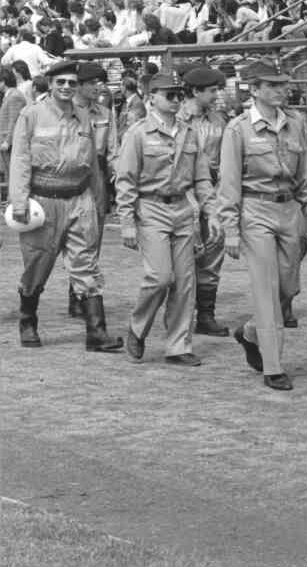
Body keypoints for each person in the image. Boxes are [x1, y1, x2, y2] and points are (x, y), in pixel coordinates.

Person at [218, 59, 307, 391]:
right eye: (273, 85)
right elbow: (230, 183)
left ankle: (250, 332)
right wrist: (231, 229)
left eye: (283, 84)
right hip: (255, 210)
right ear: (254, 90)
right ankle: (273, 365)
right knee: (265, 287)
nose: (281, 90)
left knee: (287, 287)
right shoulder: (238, 129)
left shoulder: (296, 124)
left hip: (290, 210)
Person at [9, 60, 123, 352]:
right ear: (49, 83)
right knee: (38, 264)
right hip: (44, 201)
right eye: (61, 82)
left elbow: (93, 164)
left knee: (86, 262)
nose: (67, 87)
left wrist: (100, 200)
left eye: (72, 83)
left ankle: (96, 332)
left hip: (80, 198)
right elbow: (20, 159)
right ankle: (28, 319)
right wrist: (19, 200)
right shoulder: (31, 115)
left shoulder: (85, 116)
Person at [115, 72, 219, 367]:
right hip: (151, 207)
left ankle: (178, 345)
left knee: (186, 281)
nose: (175, 101)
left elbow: (201, 177)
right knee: (160, 277)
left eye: (179, 95)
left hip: (182, 208)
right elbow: (125, 180)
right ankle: (138, 328)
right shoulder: (137, 133)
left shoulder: (190, 132)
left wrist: (210, 211)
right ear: (151, 98)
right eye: (168, 95)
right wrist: (126, 222)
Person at [180, 65, 232, 337]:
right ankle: (180, 315)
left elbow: (226, 159)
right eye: (211, 91)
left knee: (213, 252)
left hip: (213, 188)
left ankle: (206, 315)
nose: (216, 95)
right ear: (195, 91)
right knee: (185, 255)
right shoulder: (177, 119)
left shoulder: (218, 121)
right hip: (183, 190)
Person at [67, 63, 117, 318]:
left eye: (101, 82)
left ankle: (79, 294)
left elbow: (112, 149)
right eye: (94, 82)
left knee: (92, 238)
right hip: (70, 177)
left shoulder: (105, 112)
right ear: (80, 84)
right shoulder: (65, 110)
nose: (99, 87)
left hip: (97, 176)